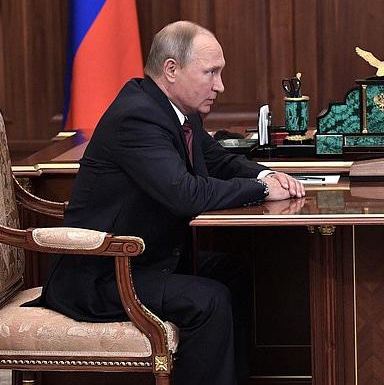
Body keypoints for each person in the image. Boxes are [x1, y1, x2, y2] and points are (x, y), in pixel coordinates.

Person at [34, 21, 305, 384]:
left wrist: (268, 175)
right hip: (103, 272)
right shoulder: (137, 116)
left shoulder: (178, 110)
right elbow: (185, 194)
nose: (220, 85)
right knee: (209, 299)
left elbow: (219, 161)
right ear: (172, 69)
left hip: (144, 260)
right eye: (211, 72)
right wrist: (260, 191)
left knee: (234, 271)